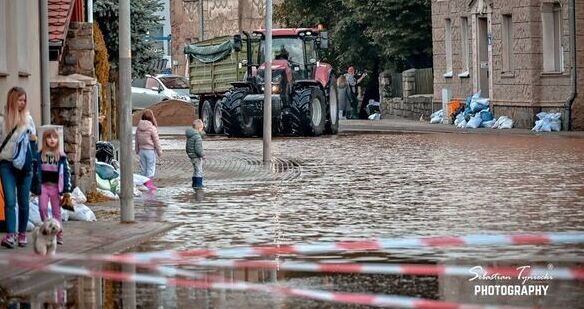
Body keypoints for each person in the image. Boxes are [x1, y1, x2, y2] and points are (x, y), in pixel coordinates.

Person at [0, 87, 37, 249]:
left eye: (24, 100)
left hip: (24, 166)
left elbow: (35, 141)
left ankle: (22, 233)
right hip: (6, 164)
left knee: (23, 202)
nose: (22, 103)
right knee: (9, 200)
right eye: (19, 100)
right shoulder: (3, 120)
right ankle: (10, 235)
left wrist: (31, 138)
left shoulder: (28, 119)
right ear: (12, 100)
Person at [36, 128, 71, 245]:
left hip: (56, 188)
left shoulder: (61, 156)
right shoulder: (39, 155)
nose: (52, 140)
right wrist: (34, 186)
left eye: (55, 137)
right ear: (44, 139)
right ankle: (47, 232)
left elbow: (66, 173)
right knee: (42, 208)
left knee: (57, 213)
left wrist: (66, 190)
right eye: (49, 137)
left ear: (58, 140)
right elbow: (35, 172)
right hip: (43, 187)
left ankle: (59, 234)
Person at [135, 109, 162, 179]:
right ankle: (149, 185)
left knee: (143, 169)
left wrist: (137, 150)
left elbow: (136, 140)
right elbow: (156, 141)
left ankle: (143, 184)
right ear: (152, 118)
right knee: (150, 168)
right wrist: (159, 151)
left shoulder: (138, 127)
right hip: (150, 151)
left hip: (141, 150)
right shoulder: (152, 128)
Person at [185, 119, 204, 189]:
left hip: (191, 156)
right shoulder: (197, 137)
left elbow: (188, 146)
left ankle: (194, 184)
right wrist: (202, 155)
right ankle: (198, 185)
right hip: (196, 156)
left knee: (195, 170)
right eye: (202, 128)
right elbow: (198, 149)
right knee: (199, 170)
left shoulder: (190, 135)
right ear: (199, 128)